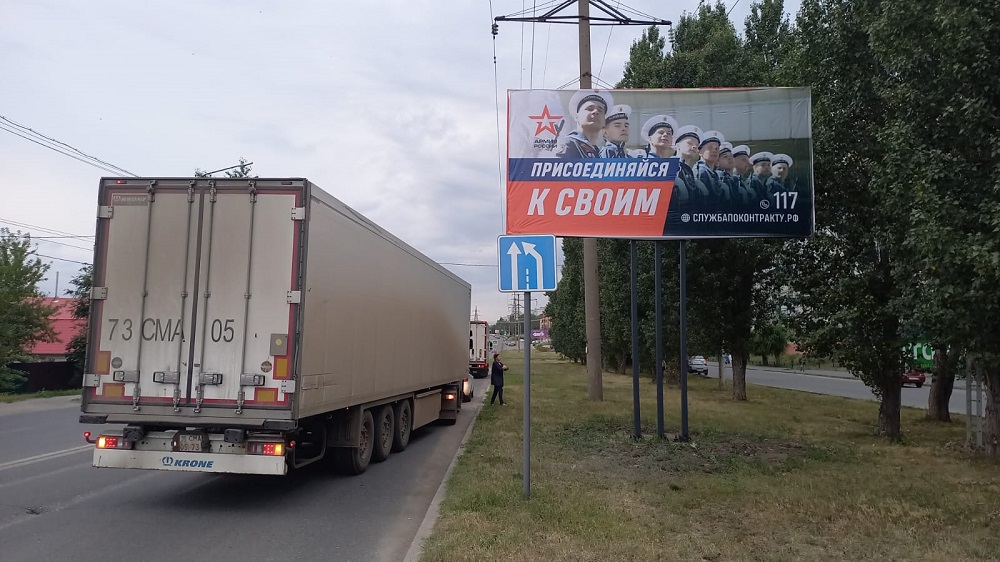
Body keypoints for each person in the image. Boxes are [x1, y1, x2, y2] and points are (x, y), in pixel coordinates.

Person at [556, 89, 614, 159]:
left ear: (604, 121)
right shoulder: (568, 144)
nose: (596, 112)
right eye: (590, 109)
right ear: (577, 117)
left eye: (600, 110)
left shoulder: (599, 152)